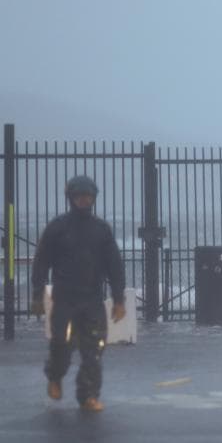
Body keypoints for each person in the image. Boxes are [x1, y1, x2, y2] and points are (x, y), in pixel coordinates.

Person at [30, 175, 126, 412]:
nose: (83, 200)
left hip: (92, 300)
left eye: (88, 196)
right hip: (64, 299)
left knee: (94, 349)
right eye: (79, 196)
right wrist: (37, 294)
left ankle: (88, 395)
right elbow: (41, 262)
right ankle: (55, 376)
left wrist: (119, 299)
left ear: (93, 198)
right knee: (61, 345)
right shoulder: (58, 227)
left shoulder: (101, 229)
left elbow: (114, 265)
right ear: (71, 198)